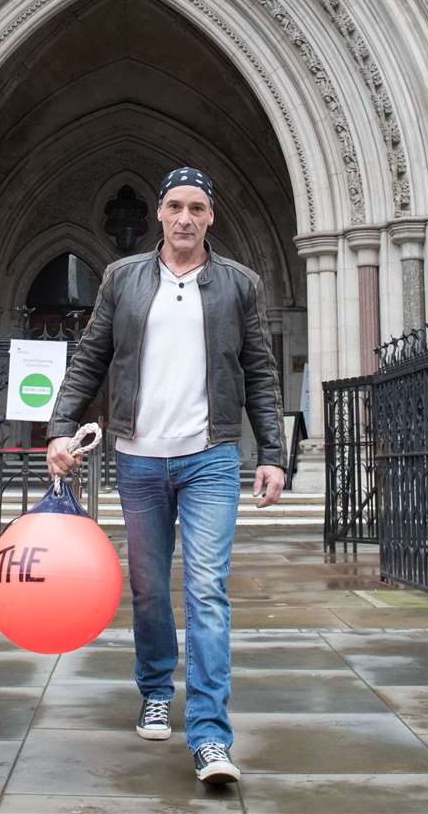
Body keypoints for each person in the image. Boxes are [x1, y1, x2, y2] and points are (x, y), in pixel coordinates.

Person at [46, 166, 285, 785]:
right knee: (150, 589)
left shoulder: (239, 284)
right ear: (158, 213)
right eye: (175, 207)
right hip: (139, 455)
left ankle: (209, 735)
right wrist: (58, 428)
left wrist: (274, 453)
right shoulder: (123, 279)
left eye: (197, 209)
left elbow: (259, 371)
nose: (185, 218)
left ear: (212, 217)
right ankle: (155, 685)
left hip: (211, 456)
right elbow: (91, 356)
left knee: (207, 592)